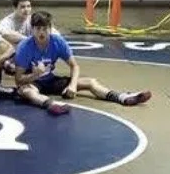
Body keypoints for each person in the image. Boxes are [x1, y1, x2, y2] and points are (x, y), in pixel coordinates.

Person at [13, 11, 152, 114]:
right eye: (38, 29)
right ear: (32, 30)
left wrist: (72, 86)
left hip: (51, 80)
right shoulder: (25, 47)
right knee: (26, 91)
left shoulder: (57, 42)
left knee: (90, 82)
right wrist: (35, 75)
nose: (41, 33)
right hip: (32, 83)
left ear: (50, 28)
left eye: (45, 29)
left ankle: (123, 97)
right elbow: (18, 80)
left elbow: (74, 66)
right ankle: (51, 104)